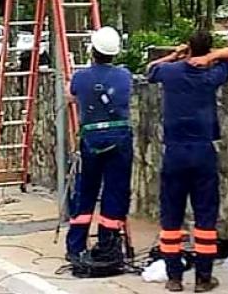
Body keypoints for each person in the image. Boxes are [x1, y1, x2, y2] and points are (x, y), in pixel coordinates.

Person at [147, 31, 228, 293]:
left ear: (188, 47)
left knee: (171, 217)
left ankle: (174, 278)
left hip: (175, 152)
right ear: (208, 49)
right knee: (205, 217)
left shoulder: (171, 72)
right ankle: (203, 279)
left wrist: (175, 55)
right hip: (202, 152)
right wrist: (210, 57)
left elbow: (150, 70)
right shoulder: (211, 75)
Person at [66, 27, 133, 273]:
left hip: (92, 140)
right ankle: (108, 246)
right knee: (114, 193)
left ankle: (75, 247)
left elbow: (70, 96)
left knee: (85, 192)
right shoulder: (124, 76)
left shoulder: (81, 77)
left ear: (93, 50)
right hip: (120, 139)